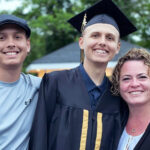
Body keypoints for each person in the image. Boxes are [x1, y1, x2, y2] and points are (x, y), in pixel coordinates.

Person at [29, 0, 137, 150]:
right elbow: (39, 138)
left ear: (118, 47)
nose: (102, 42)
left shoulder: (118, 96)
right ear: (81, 42)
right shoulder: (55, 83)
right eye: (95, 35)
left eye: (110, 38)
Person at [0, 14, 41, 149]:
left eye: (17, 37)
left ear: (27, 45)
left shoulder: (39, 86)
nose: (11, 44)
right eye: (1, 38)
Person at [111, 48, 150, 150]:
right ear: (117, 85)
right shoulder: (112, 124)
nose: (134, 84)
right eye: (126, 78)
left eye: (142, 77)